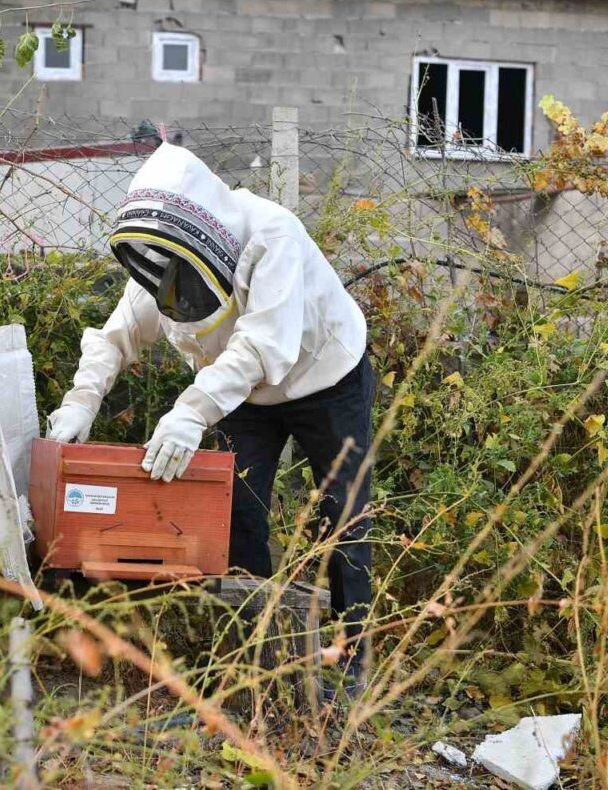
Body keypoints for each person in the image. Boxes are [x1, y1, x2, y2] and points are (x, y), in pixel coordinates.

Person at [46, 141, 374, 693]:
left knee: (342, 512)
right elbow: (114, 337)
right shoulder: (166, 261)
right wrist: (82, 401)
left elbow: (264, 347)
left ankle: (350, 661)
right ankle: (252, 653)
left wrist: (191, 412)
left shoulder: (273, 236)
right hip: (240, 397)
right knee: (236, 515)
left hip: (327, 378)